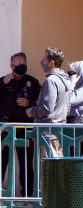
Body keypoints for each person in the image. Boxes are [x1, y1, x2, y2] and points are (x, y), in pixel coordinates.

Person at [0, 52, 40, 197]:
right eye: (19, 64)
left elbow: (42, 102)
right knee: (1, 161)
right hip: (5, 128)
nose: (22, 66)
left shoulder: (33, 83)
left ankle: (28, 195)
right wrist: (3, 83)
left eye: (24, 64)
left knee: (26, 162)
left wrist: (29, 103)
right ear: (12, 65)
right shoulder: (4, 81)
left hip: (25, 127)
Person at [26, 48, 72, 158]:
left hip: (47, 133)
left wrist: (32, 111)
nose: (41, 62)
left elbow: (47, 108)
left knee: (47, 171)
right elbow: (68, 107)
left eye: (44, 60)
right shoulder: (66, 81)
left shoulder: (51, 81)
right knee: (56, 170)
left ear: (51, 63)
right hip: (59, 131)